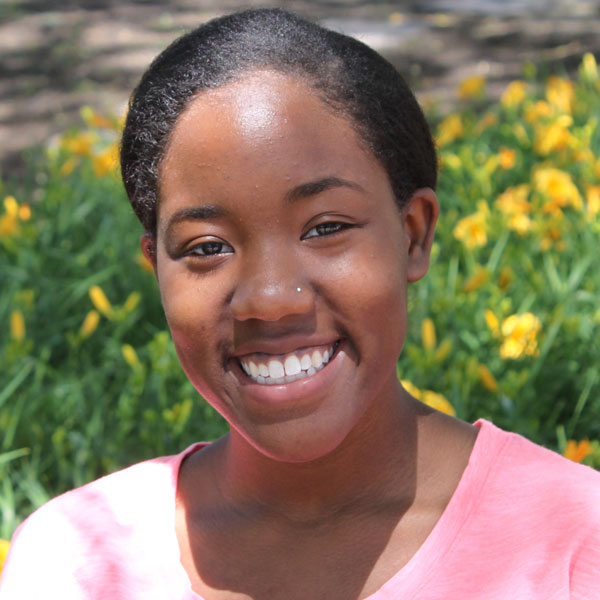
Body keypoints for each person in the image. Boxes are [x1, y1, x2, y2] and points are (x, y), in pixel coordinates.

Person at [1, 8, 599, 599]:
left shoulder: (575, 545)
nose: (269, 300)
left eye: (325, 227)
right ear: (156, 266)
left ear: (413, 234)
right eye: (207, 246)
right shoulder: (71, 565)